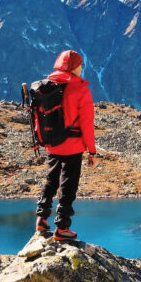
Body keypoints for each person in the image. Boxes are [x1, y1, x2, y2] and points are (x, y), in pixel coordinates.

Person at [35, 50, 96, 241]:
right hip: (73, 146)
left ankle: (42, 218)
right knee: (68, 185)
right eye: (80, 65)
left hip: (52, 143)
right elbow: (86, 123)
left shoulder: (47, 86)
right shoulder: (80, 89)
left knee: (51, 179)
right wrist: (92, 151)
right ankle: (62, 228)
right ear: (74, 66)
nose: (81, 69)